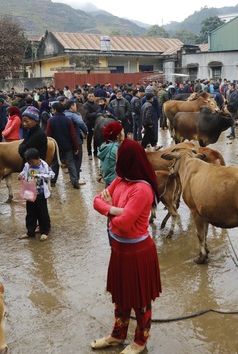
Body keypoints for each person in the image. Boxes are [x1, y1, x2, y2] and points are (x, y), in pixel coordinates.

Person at [91, 139, 161, 354]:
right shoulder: (121, 180)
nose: (117, 160)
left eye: (121, 156)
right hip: (119, 249)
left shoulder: (141, 189)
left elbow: (123, 224)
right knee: (121, 296)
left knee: (140, 300)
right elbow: (96, 201)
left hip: (138, 252)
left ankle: (140, 340)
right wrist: (116, 210)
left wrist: (110, 208)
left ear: (129, 159)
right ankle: (118, 335)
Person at [17, 148, 55, 241]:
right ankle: (30, 231)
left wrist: (39, 176)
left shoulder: (44, 165)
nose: (30, 164)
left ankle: (44, 231)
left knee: (42, 212)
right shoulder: (27, 165)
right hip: (29, 192)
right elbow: (24, 171)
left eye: (32, 162)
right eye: (29, 162)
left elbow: (51, 175)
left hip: (40, 192)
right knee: (30, 213)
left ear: (37, 158)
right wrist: (21, 174)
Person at [46, 102, 82, 188]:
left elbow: (48, 135)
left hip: (56, 147)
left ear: (55, 110)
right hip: (68, 146)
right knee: (70, 162)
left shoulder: (50, 120)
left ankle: (53, 181)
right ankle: (75, 181)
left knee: (55, 163)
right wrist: (76, 147)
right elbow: (73, 135)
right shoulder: (68, 120)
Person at [98, 122, 125, 187]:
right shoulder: (116, 149)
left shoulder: (105, 146)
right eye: (122, 132)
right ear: (118, 135)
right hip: (116, 184)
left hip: (108, 183)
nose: (124, 134)